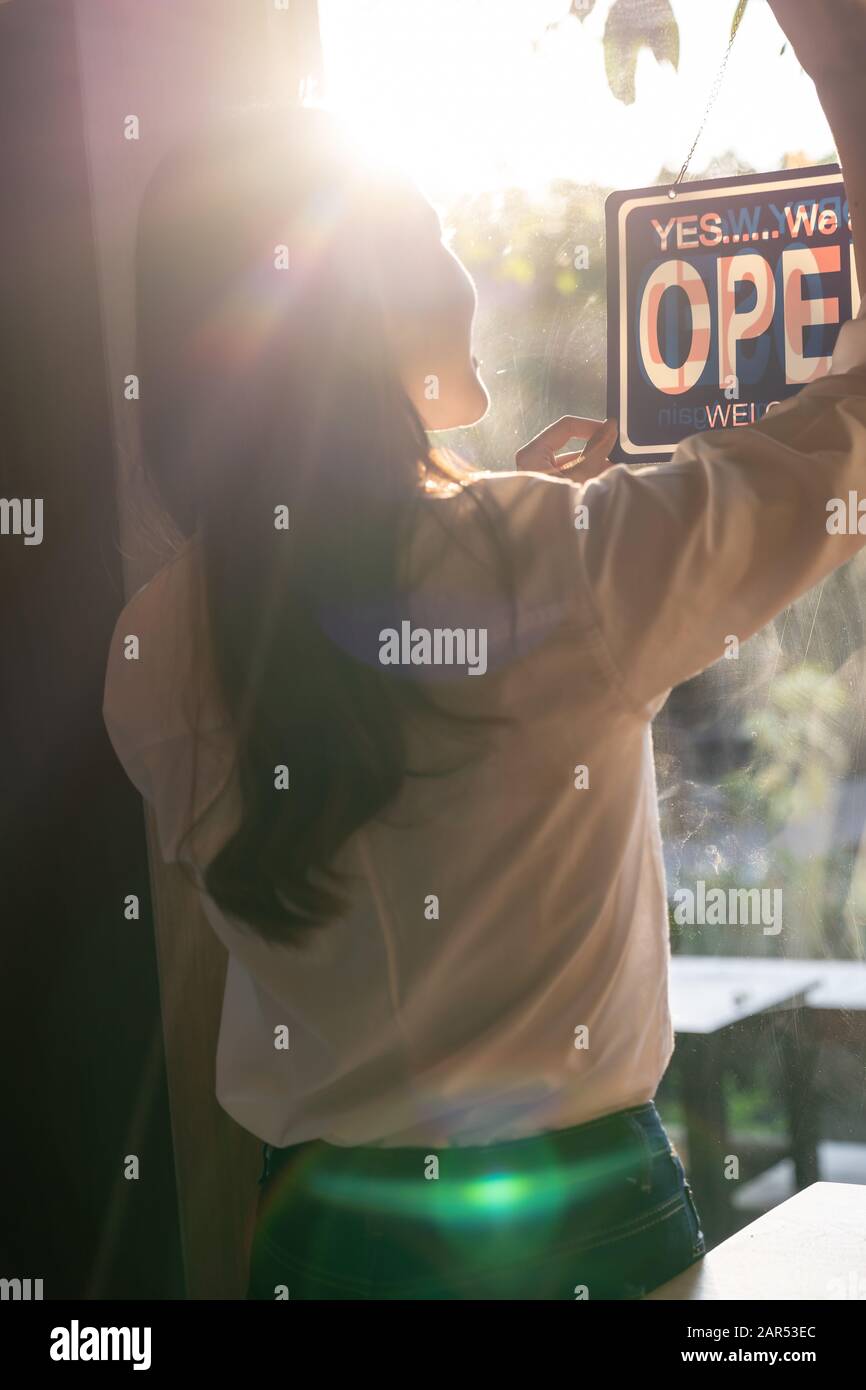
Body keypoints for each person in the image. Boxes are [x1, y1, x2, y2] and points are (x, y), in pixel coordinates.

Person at [104, 0, 866, 1299]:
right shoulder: (549, 564)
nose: (459, 261)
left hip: (315, 1243)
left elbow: (368, 683)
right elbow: (838, 449)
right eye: (435, 233)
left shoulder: (152, 639)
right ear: (373, 302)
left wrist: (515, 509)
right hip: (577, 1242)